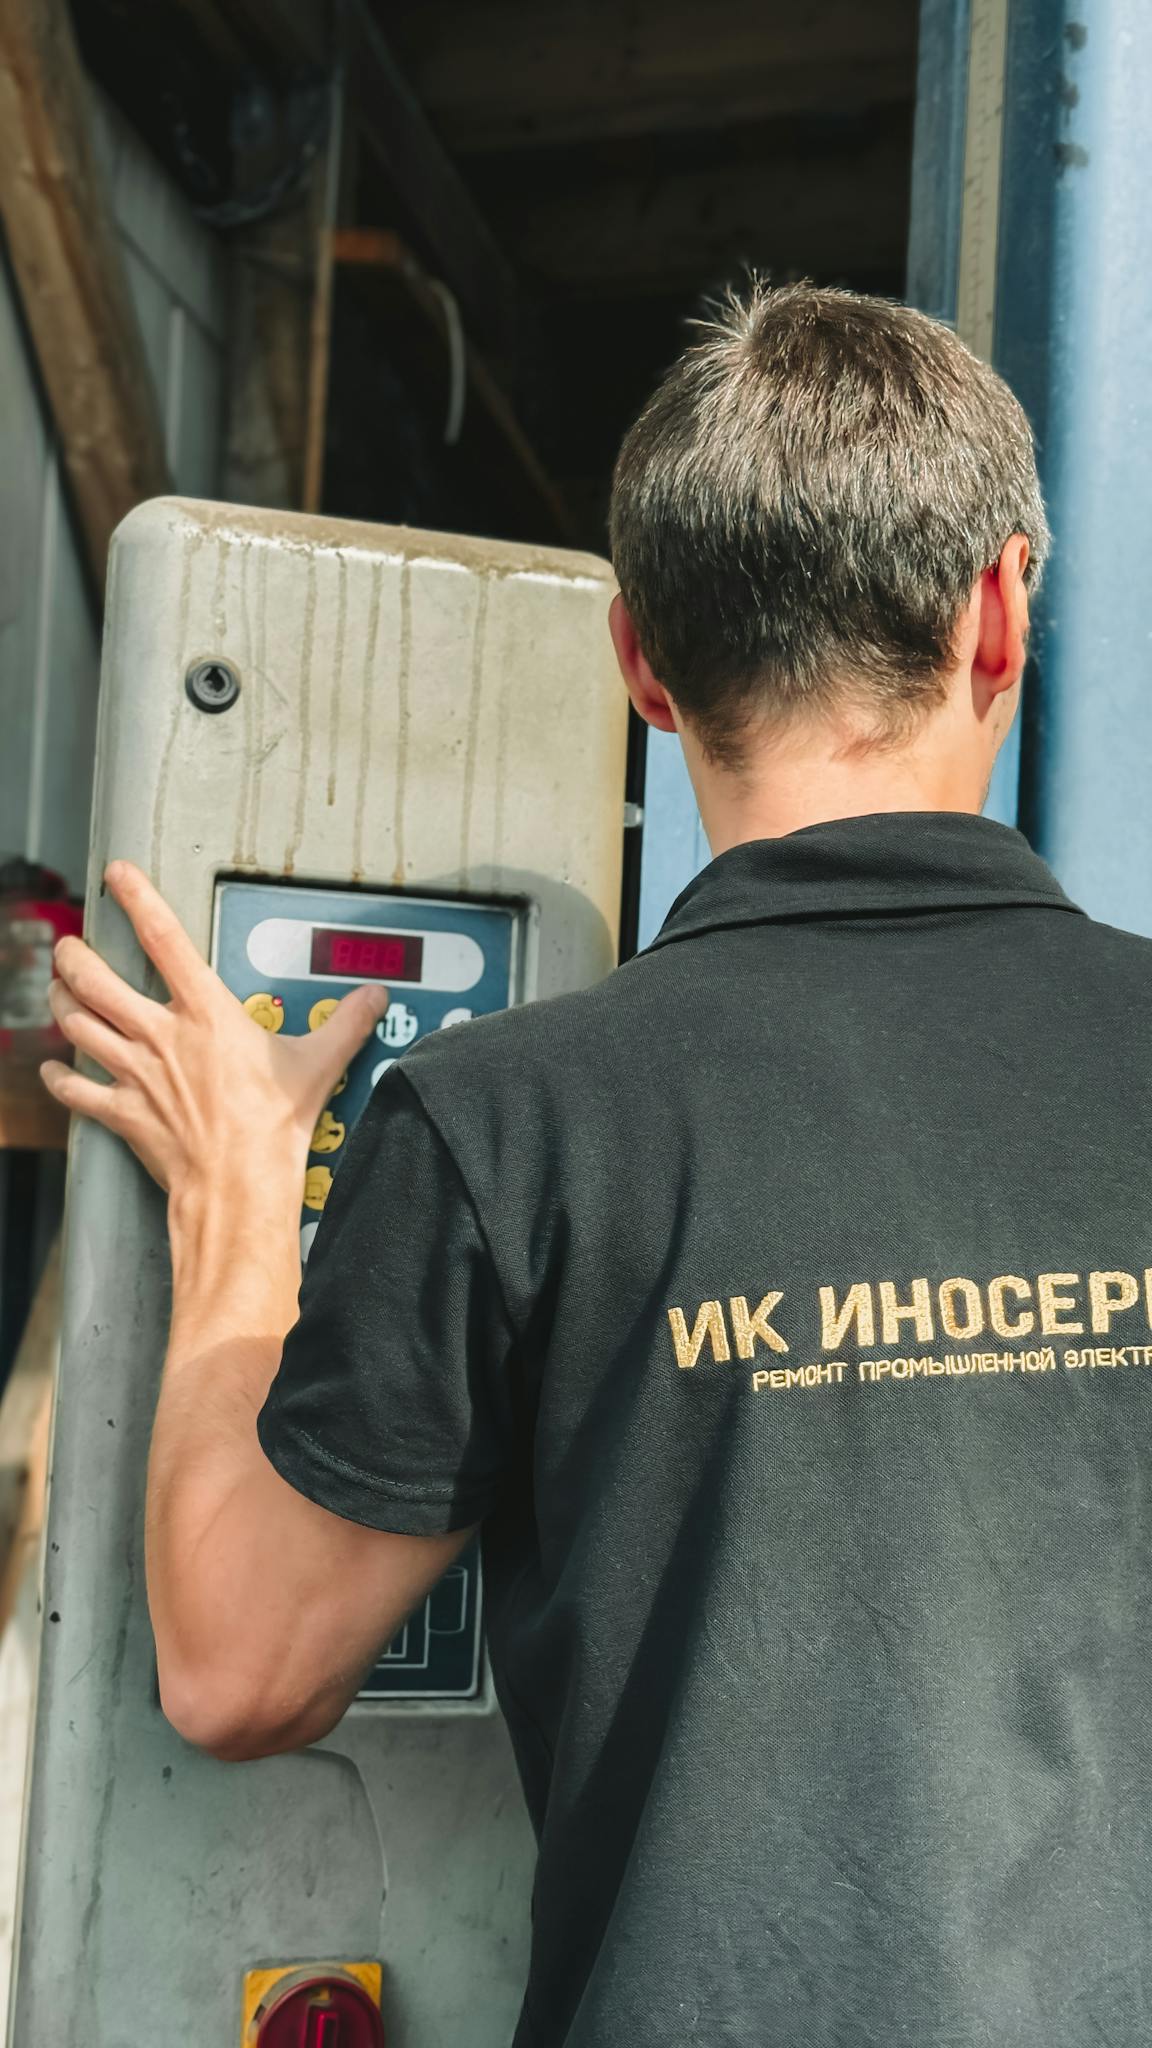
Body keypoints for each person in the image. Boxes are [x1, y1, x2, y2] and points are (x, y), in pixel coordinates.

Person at [41, 282, 1152, 2048]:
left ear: (638, 662)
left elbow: (241, 1671)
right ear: (1000, 614)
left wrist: (243, 1193)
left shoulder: (504, 1121)